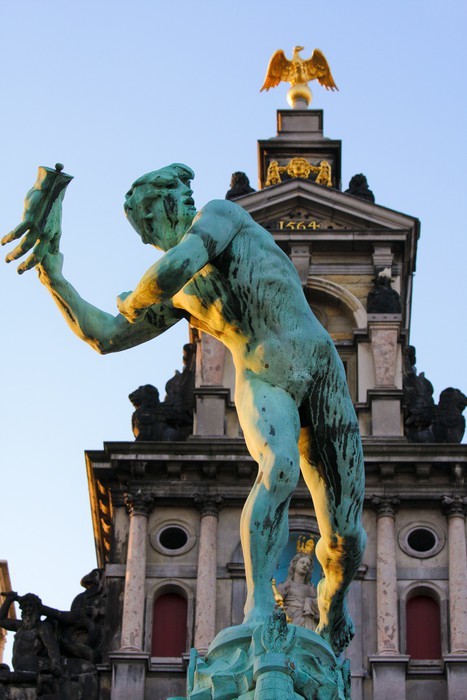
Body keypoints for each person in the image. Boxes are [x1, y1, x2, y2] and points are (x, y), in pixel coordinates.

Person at [2, 162, 366, 654]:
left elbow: (172, 269)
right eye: (155, 211)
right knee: (279, 468)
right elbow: (104, 337)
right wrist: (52, 273)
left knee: (346, 539)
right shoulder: (180, 293)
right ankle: (259, 606)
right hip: (262, 377)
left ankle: (333, 603)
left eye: (173, 198)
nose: (180, 205)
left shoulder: (220, 217)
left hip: (321, 372)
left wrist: (133, 301)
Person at [277, 552, 319, 631]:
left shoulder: (312, 589)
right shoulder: (285, 586)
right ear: (294, 564)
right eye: (302, 562)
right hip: (290, 619)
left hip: (308, 622)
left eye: (308, 564)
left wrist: (310, 603)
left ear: (309, 570)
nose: (305, 565)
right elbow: (276, 605)